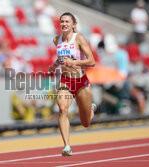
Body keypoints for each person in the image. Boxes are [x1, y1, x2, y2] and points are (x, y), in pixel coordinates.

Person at [48, 12, 97, 156]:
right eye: (62, 21)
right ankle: (67, 146)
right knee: (62, 110)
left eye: (67, 21)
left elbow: (92, 61)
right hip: (65, 80)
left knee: (85, 123)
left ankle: (91, 109)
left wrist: (74, 62)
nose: (64, 24)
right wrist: (54, 66)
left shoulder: (79, 38)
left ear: (73, 24)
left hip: (81, 82)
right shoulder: (57, 40)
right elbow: (61, 58)